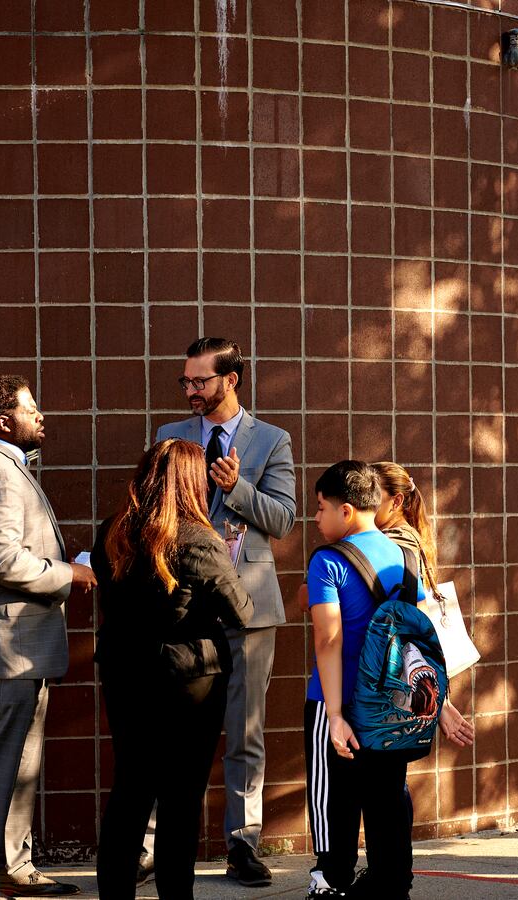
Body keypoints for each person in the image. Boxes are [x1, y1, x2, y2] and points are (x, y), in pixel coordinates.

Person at [0, 375, 96, 900]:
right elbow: (2, 559)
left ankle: (12, 869)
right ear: (5, 421)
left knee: (19, 766)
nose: (41, 416)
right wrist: (67, 573)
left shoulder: (3, 466)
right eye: (32, 409)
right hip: (0, 647)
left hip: (16, 648)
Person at [150, 337, 295, 886]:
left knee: (245, 730)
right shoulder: (170, 437)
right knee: (170, 732)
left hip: (248, 607)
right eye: (185, 382)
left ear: (231, 379)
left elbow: (281, 520)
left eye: (200, 382)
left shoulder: (272, 441)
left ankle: (243, 844)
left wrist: (237, 489)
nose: (191, 391)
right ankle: (153, 847)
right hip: (182, 608)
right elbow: (152, 507)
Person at [91, 440, 254, 900]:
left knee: (130, 790)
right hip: (189, 680)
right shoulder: (199, 539)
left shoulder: (112, 531)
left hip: (125, 675)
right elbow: (240, 610)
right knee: (181, 798)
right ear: (191, 481)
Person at [302, 461, 430, 900]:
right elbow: (422, 629)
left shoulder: (327, 562)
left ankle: (331, 880)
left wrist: (335, 714)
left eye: (320, 508)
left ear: (347, 510)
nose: (315, 519)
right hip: (392, 703)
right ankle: (392, 882)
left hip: (334, 698)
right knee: (388, 794)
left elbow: (328, 640)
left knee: (334, 796)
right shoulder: (406, 555)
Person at [370, 461, 474, 749]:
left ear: (396, 501)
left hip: (398, 677)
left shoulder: (395, 545)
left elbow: (414, 624)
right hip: (406, 676)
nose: (364, 503)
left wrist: (439, 699)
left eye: (373, 494)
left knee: (388, 773)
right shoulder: (409, 538)